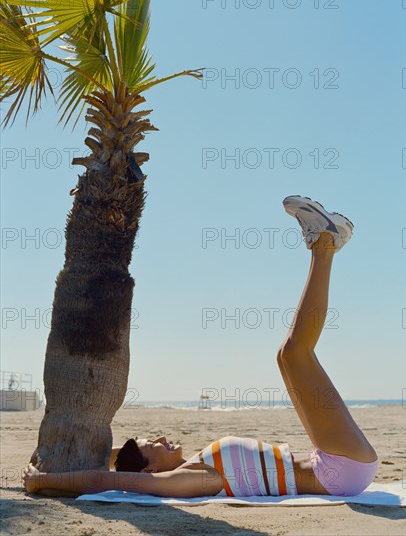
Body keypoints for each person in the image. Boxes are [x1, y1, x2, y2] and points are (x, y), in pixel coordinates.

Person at [23, 195, 379, 498]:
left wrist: (82, 453)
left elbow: (106, 460)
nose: (160, 438)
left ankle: (329, 243)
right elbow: (103, 478)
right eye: (151, 447)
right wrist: (45, 481)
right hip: (340, 471)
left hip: (331, 463)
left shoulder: (196, 462)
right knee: (294, 353)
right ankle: (324, 244)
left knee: (284, 357)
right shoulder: (193, 479)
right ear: (148, 473)